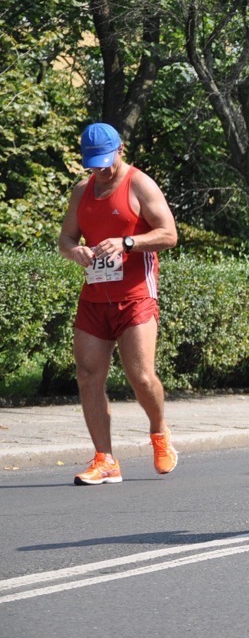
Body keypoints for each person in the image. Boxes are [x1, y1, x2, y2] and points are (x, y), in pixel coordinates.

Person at [58, 122, 179, 485]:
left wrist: (127, 242)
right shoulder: (82, 191)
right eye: (93, 164)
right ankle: (105, 459)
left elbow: (169, 235)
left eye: (106, 162)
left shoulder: (140, 184)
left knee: (140, 376)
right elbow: (65, 239)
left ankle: (159, 431)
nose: (101, 170)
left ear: (121, 150)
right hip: (95, 296)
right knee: (87, 376)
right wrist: (75, 251)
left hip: (136, 294)